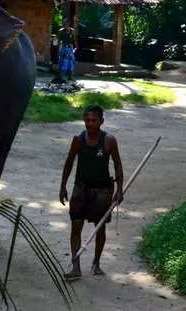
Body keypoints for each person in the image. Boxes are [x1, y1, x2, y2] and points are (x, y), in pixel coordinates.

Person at [59, 105, 124, 281]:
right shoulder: (78, 140)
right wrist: (63, 186)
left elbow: (117, 164)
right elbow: (69, 163)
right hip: (81, 189)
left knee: (100, 227)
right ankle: (76, 266)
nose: (89, 123)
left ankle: (96, 263)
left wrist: (119, 189)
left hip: (102, 190)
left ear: (101, 121)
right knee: (76, 226)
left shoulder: (109, 141)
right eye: (87, 120)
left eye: (93, 120)